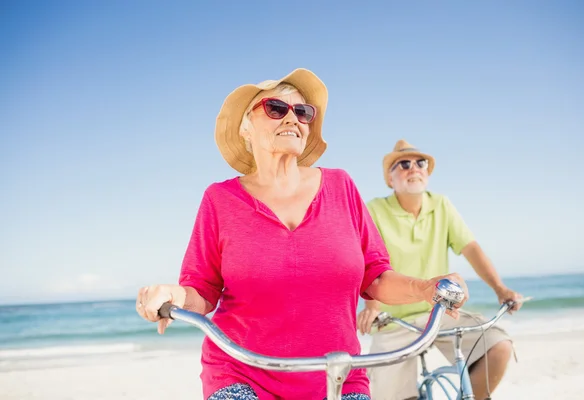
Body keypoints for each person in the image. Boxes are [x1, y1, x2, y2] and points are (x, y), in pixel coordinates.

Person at [135, 70, 469, 400]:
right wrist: (175, 295)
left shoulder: (341, 186)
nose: (292, 118)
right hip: (242, 373)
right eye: (275, 108)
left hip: (338, 375)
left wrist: (426, 288)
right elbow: (202, 292)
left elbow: (376, 277)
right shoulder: (220, 200)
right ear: (246, 128)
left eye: (302, 112)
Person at [357, 139, 523, 400]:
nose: (413, 168)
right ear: (390, 179)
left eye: (420, 163)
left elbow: (471, 249)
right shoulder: (374, 210)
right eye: (403, 164)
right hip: (392, 321)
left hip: (440, 312)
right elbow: (367, 261)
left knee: (498, 347)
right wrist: (372, 308)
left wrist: (499, 288)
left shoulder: (442, 205)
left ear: (427, 172)